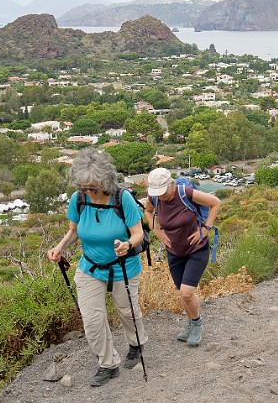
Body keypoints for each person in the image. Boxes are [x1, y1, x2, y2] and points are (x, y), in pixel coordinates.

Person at [47, 148, 147, 387]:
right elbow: (73, 231)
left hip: (122, 265)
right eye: (83, 188)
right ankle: (108, 363)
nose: (88, 193)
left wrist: (127, 244)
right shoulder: (78, 200)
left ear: (105, 182)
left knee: (127, 311)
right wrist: (59, 247)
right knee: (92, 319)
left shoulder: (122, 199)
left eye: (93, 188)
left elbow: (138, 234)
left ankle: (136, 343)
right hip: (90, 267)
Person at [144, 167, 220, 347]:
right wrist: (158, 232)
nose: (161, 197)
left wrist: (206, 228)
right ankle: (190, 323)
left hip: (197, 248)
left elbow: (215, 203)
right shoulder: (154, 198)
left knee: (187, 292)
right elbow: (148, 211)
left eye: (163, 192)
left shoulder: (185, 192)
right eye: (158, 193)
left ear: (171, 184)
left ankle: (196, 324)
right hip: (174, 251)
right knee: (182, 292)